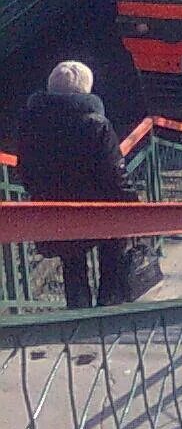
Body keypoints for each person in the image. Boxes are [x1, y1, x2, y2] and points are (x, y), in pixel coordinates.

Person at [16, 61, 138, 308]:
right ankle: (108, 309)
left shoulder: (31, 124)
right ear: (87, 89)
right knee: (112, 255)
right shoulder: (96, 124)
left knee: (72, 264)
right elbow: (114, 174)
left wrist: (41, 194)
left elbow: (25, 169)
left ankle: (79, 316)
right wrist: (133, 205)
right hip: (101, 210)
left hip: (56, 209)